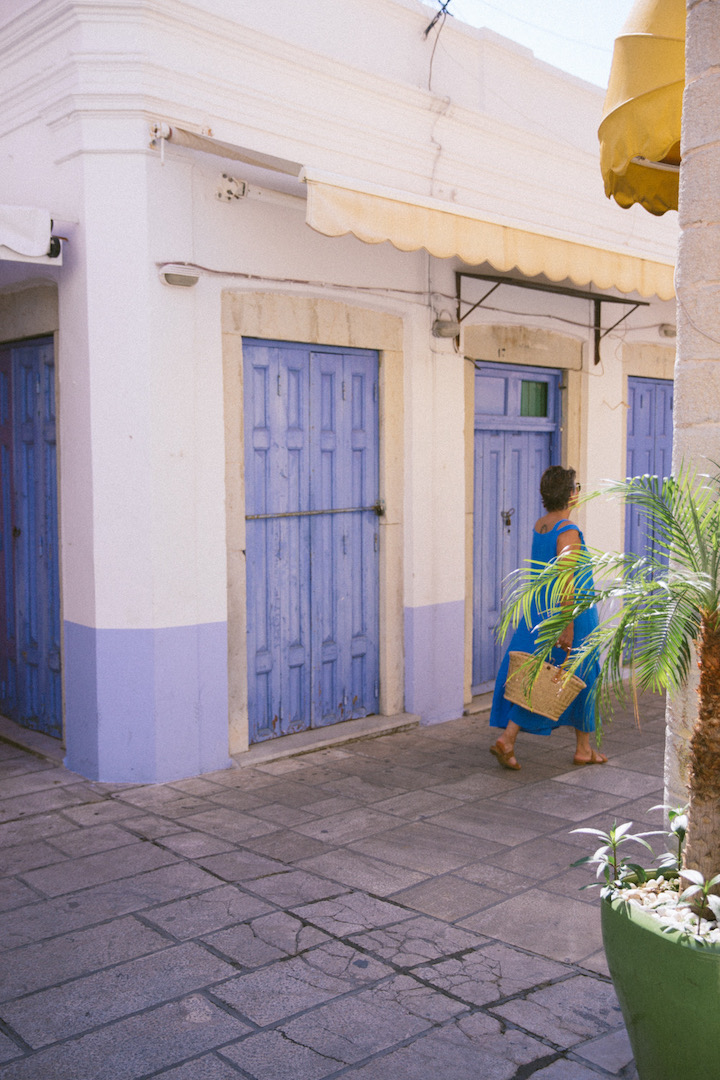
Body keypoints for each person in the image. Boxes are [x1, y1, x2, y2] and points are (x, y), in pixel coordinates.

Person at [488, 465, 606, 771]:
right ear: (570, 494)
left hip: (539, 610)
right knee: (576, 677)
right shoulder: (567, 532)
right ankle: (516, 739)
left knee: (537, 676)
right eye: (576, 487)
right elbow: (566, 579)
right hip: (568, 615)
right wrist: (566, 625)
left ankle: (576, 747)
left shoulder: (542, 525)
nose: (578, 491)